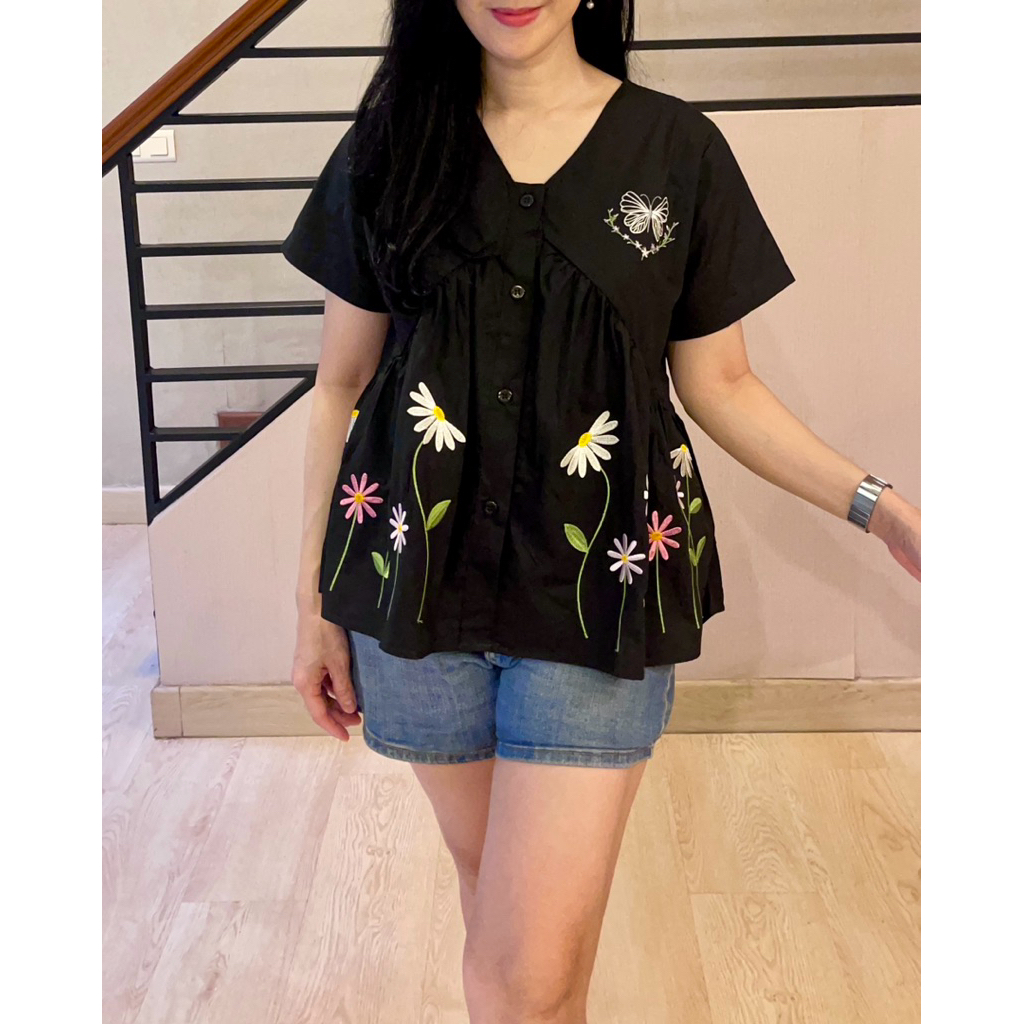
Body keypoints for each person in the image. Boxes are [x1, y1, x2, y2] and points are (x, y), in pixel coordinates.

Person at [282, 2, 922, 1021]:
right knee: (514, 937)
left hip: (596, 597)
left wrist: (879, 509)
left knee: (522, 971)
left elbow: (722, 384)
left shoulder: (675, 151)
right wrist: (315, 603)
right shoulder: (392, 145)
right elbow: (340, 386)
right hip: (415, 600)